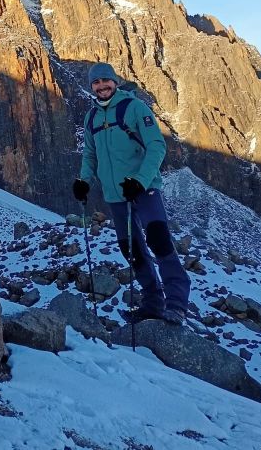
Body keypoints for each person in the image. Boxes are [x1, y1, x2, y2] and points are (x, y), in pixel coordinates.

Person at [72, 62, 190, 324]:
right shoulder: (91, 117)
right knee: (132, 250)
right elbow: (90, 155)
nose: (102, 86)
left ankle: (177, 304)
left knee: (158, 241)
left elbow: (157, 146)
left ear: (115, 82)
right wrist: (84, 181)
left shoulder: (135, 108)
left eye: (106, 81)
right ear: (91, 86)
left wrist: (140, 180)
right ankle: (153, 304)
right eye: (96, 83)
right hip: (115, 196)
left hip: (143, 190)